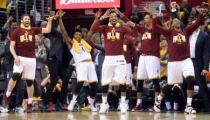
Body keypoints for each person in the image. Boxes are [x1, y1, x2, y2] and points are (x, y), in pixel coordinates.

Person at [152, 4, 206, 114]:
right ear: (172, 24)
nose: (176, 22)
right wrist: (154, 19)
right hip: (173, 62)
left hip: (186, 60)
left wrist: (201, 15)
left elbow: (197, 24)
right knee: (170, 84)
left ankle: (189, 106)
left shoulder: (186, 30)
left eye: (178, 20)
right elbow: (156, 28)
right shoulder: (169, 32)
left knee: (190, 78)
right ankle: (158, 101)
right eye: (174, 21)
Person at [1, 14, 54, 113]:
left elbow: (48, 30)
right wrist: (15, 57)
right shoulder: (16, 31)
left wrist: (50, 21)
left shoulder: (34, 29)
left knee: (29, 82)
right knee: (16, 75)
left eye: (28, 19)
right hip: (20, 58)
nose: (27, 20)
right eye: (25, 18)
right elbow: (12, 47)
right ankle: (6, 97)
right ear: (21, 20)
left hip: (31, 59)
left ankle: (29, 103)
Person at [57, 10, 100, 112]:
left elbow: (91, 30)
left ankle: (91, 103)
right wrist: (59, 19)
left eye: (79, 35)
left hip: (90, 63)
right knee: (80, 82)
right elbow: (64, 32)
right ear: (74, 36)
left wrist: (96, 19)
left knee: (94, 85)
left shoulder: (85, 42)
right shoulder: (71, 44)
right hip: (80, 65)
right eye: (76, 35)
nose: (77, 36)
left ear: (81, 36)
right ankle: (73, 102)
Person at [91, 9, 132, 114]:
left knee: (122, 82)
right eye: (111, 16)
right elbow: (93, 28)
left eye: (115, 16)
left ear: (117, 18)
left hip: (120, 58)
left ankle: (123, 103)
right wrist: (101, 17)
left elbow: (133, 30)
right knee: (105, 82)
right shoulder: (105, 28)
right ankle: (104, 104)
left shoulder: (122, 28)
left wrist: (122, 16)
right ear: (109, 18)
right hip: (108, 58)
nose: (113, 17)